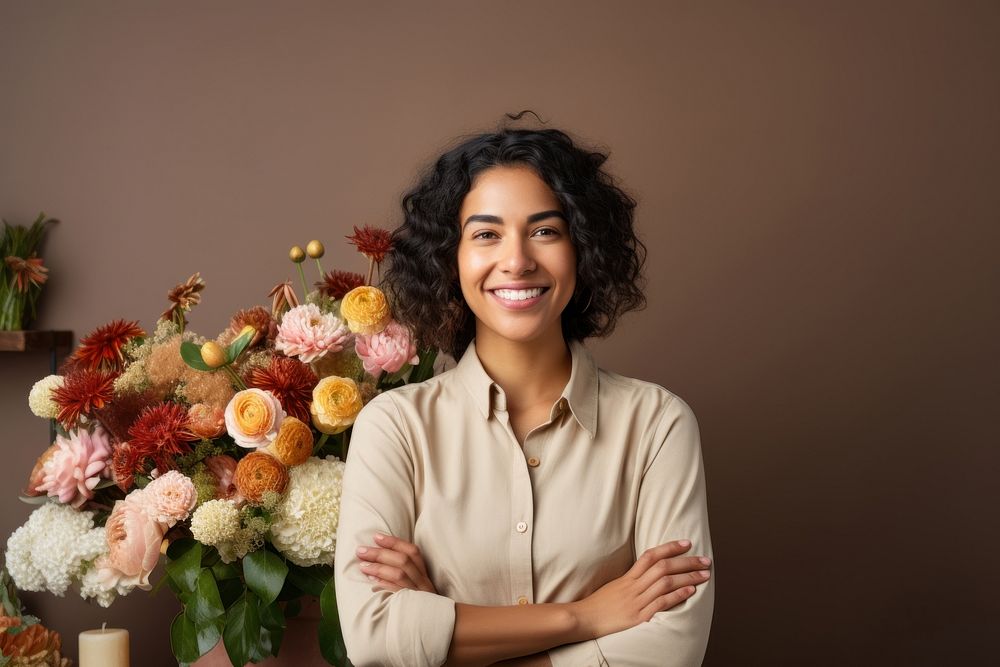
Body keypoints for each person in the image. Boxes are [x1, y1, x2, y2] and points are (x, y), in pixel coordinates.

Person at [333, 121, 714, 666]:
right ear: (451, 258)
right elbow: (375, 639)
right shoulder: (394, 427)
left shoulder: (657, 425)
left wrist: (443, 628)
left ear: (582, 249)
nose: (516, 261)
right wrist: (585, 617)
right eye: (486, 234)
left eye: (544, 231)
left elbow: (669, 651)